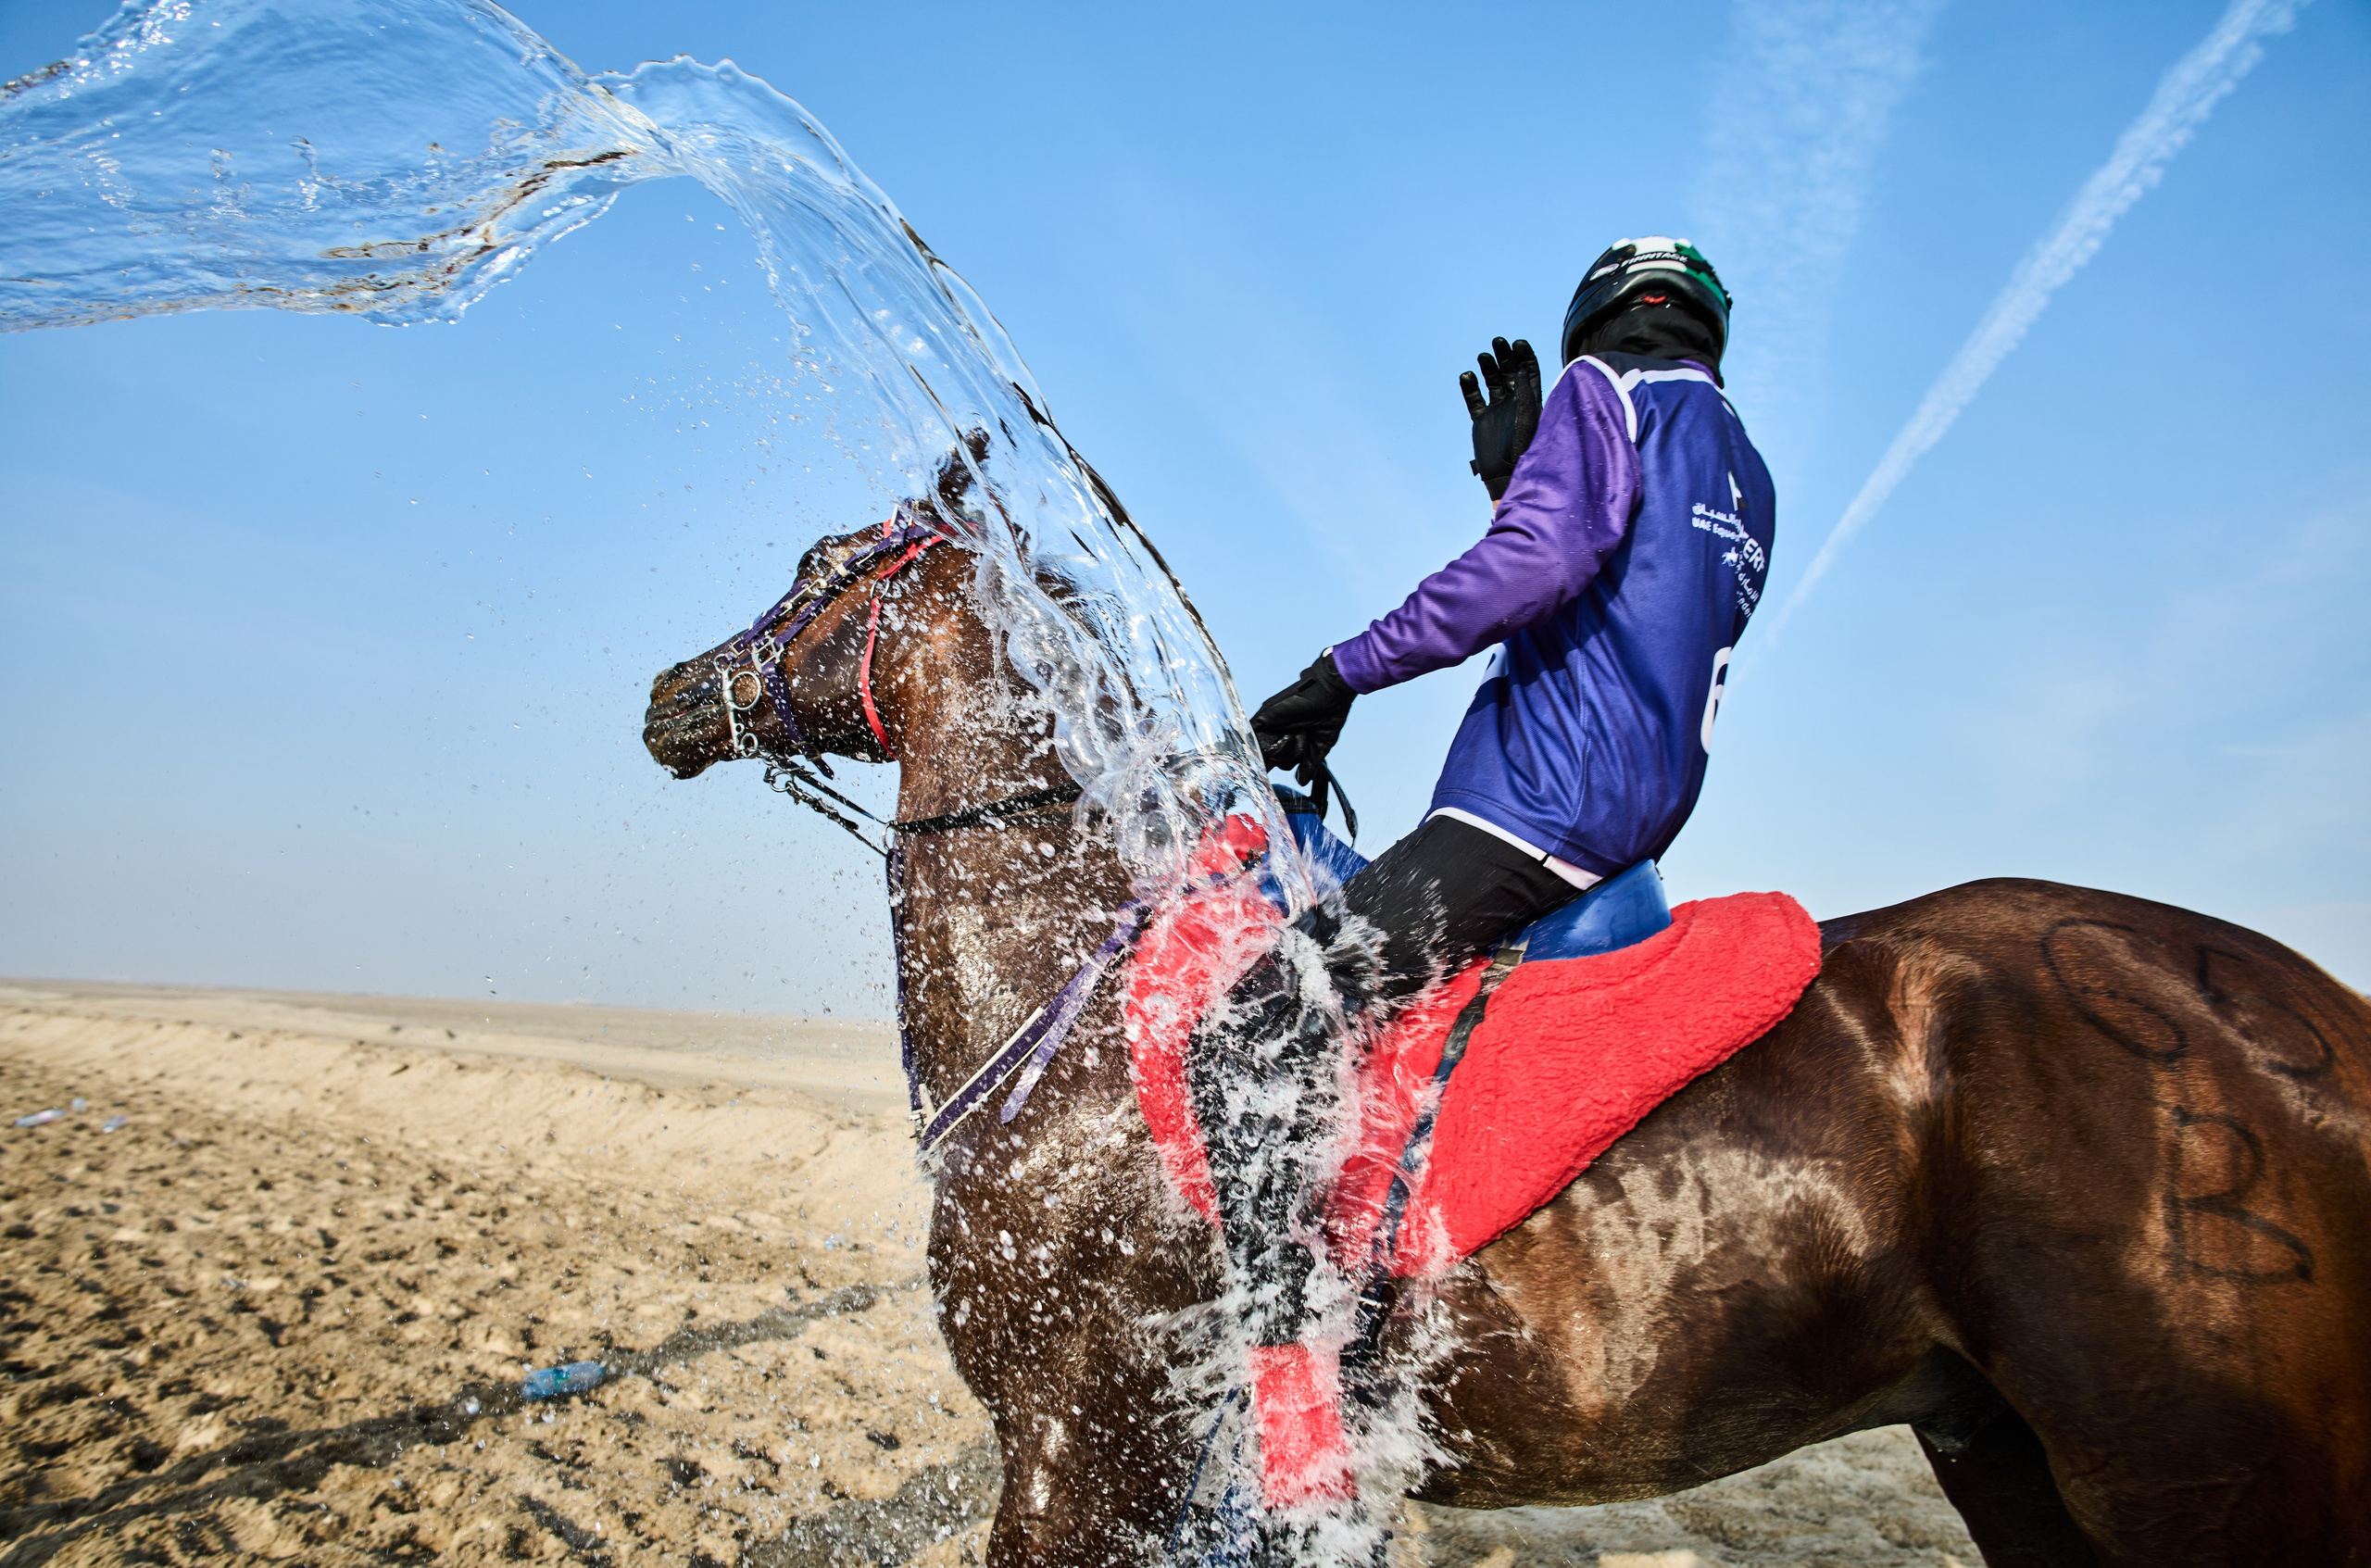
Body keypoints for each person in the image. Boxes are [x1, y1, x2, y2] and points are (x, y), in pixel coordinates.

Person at [1184, 238, 1776, 1500]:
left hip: (1532, 814)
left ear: (1595, 324)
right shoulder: (1749, 471)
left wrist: (1339, 673)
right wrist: (1525, 483)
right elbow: (1620, 601)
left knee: (1255, 1024)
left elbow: (1534, 570)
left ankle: (1295, 1435)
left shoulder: (1603, 396)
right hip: (1631, 829)